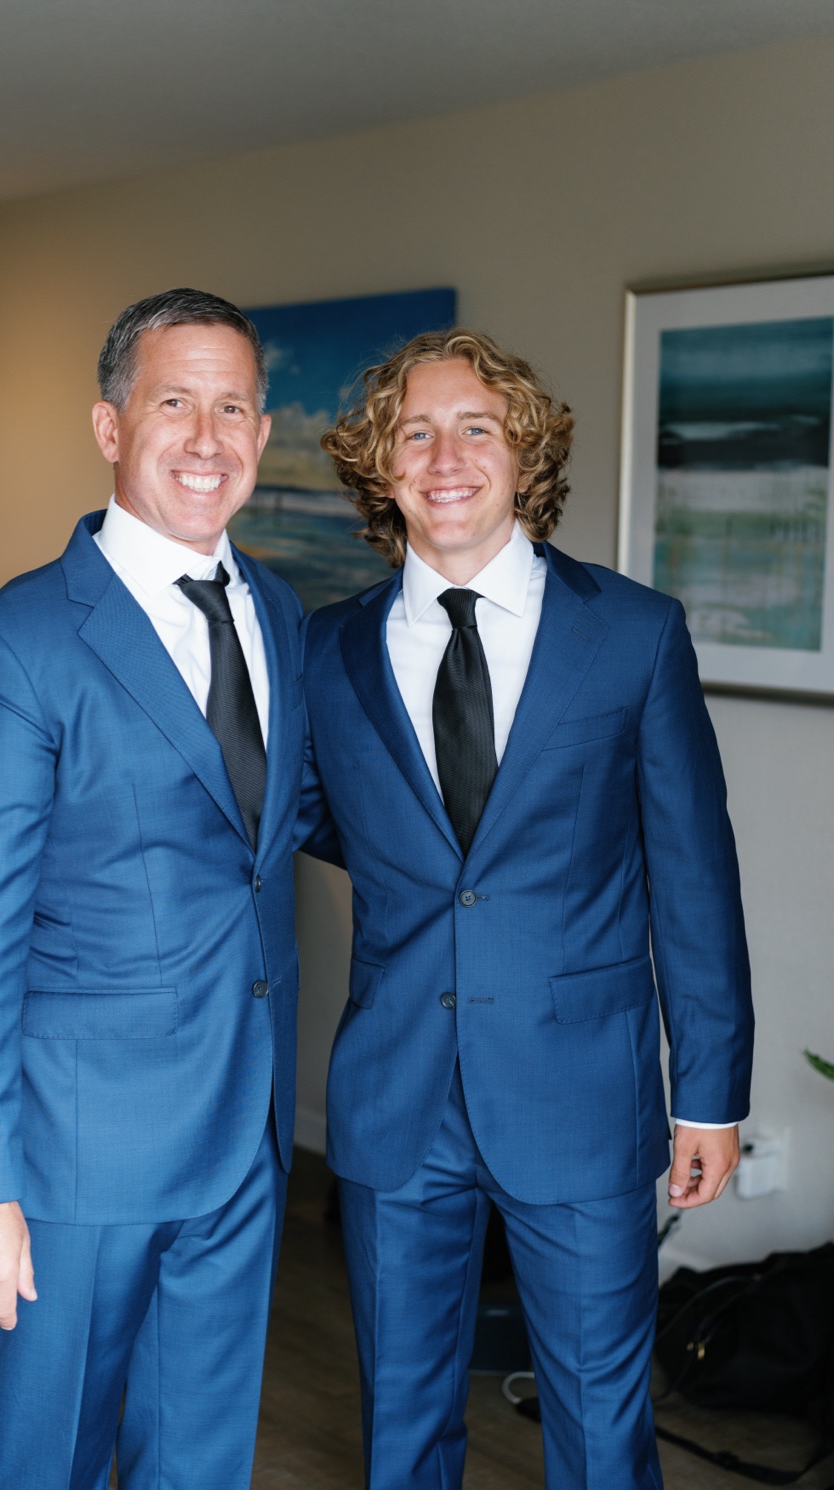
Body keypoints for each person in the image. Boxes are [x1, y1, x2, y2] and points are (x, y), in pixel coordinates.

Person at [298, 329, 755, 1489]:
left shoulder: (631, 635)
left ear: (524, 454)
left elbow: (692, 871)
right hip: (395, 1093)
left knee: (601, 1428)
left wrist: (707, 1092)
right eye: (413, 431)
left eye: (474, 428)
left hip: (578, 1093)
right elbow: (324, 824)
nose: (443, 456)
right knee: (400, 1424)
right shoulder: (326, 650)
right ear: (378, 463)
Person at [0, 289, 305, 1487]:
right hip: (75, 1158)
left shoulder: (279, 613)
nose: (204, 436)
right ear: (108, 426)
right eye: (171, 401)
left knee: (200, 1460)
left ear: (261, 434)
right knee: (51, 1462)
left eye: (230, 407)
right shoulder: (12, 644)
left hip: (244, 1129)